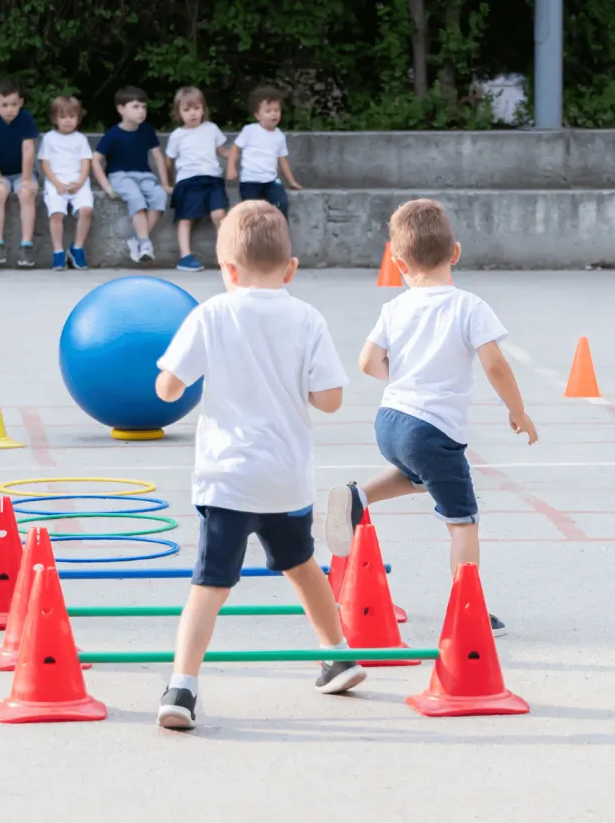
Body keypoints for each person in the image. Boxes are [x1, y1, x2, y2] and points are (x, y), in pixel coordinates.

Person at [152, 199, 365, 731]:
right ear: (290, 269)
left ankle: (183, 685)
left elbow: (168, 389)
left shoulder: (211, 314)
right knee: (303, 566)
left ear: (227, 270)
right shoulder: (307, 318)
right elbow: (330, 399)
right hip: (286, 478)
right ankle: (337, 654)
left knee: (210, 584)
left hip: (228, 479)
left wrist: (174, 376)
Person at [323, 199, 538, 638]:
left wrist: (403, 377)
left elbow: (367, 361)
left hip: (390, 421)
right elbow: (496, 365)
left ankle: (359, 495)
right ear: (455, 253)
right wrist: (517, 411)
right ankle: (468, 609)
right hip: (433, 430)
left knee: (419, 475)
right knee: (464, 521)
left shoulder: (395, 307)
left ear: (398, 263)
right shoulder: (469, 306)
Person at [91, 85, 171, 263]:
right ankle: (145, 243)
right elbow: (95, 160)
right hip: (120, 176)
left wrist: (165, 183)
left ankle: (138, 240)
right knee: (136, 198)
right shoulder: (113, 134)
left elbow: (158, 157)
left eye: (144, 107)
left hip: (144, 176)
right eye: (135, 107)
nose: (141, 111)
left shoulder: (147, 130)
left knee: (159, 196)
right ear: (121, 109)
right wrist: (107, 187)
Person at [165, 86, 228, 272]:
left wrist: (239, 155)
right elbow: (169, 161)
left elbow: (222, 151)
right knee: (186, 218)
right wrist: (169, 183)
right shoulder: (177, 136)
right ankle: (185, 256)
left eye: (196, 108)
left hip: (213, 179)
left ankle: (226, 253)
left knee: (219, 214)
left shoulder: (211, 129)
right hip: (188, 181)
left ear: (203, 109)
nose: (192, 113)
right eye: (187, 109)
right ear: (179, 113)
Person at [0, 78, 40, 267]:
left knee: (26, 192)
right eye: (5, 105)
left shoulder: (25, 118)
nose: (10, 109)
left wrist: (26, 178)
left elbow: (28, 148)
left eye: (14, 104)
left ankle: (26, 245)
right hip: (0, 171)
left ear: (20, 103)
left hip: (22, 171)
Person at [227, 85, 301, 219]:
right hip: (250, 181)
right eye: (268, 111)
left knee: (281, 204)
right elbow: (235, 148)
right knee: (252, 212)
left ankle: (279, 229)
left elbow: (282, 160)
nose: (274, 114)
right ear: (257, 115)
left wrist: (291, 181)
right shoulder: (249, 131)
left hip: (271, 181)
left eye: (276, 110)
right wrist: (231, 168)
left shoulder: (279, 136)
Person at [38, 95, 93, 271]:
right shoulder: (49, 138)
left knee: (86, 210)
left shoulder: (81, 139)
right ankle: (58, 252)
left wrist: (79, 182)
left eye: (72, 116)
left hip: (78, 182)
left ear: (78, 118)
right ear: (55, 119)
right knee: (57, 214)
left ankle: (77, 248)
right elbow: (45, 164)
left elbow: (86, 162)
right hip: (56, 182)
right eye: (63, 117)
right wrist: (57, 183)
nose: (68, 120)